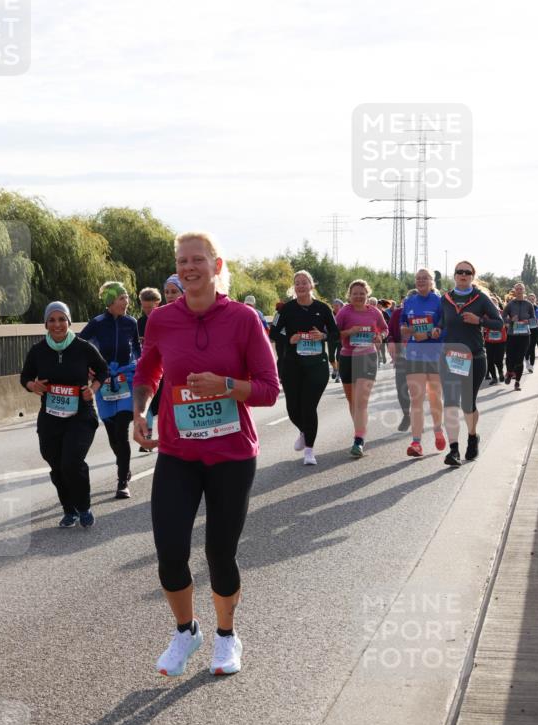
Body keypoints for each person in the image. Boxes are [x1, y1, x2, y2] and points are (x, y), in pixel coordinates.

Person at [133, 231, 279, 677]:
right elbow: (148, 369)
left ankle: (226, 637)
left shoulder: (244, 319)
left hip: (231, 454)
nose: (189, 267)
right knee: (170, 550)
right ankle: (185, 631)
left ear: (217, 266)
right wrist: (140, 410)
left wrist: (227, 387)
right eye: (182, 261)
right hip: (179, 452)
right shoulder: (161, 319)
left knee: (220, 551)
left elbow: (270, 390)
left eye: (197, 260)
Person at [20, 302, 107, 527]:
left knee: (72, 462)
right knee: (56, 464)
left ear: (69, 322)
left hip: (81, 415)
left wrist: (93, 389)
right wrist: (33, 385)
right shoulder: (38, 350)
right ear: (46, 323)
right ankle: (70, 510)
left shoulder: (83, 347)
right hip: (50, 417)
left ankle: (84, 506)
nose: (57, 324)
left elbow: (103, 370)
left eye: (62, 319)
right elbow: (25, 376)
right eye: (52, 320)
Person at [269, 270, 338, 465]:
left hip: (317, 365)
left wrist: (323, 336)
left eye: (304, 282)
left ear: (311, 286)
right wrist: (289, 338)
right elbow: (273, 332)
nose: (300, 286)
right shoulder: (285, 309)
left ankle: (309, 450)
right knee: (293, 408)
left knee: (308, 407)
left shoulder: (323, 308)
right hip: (292, 364)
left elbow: (335, 334)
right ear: (294, 287)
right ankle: (303, 430)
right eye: (297, 283)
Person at [80, 281, 141, 498]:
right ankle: (124, 466)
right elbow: (79, 345)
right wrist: (88, 367)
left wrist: (141, 369)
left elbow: (137, 350)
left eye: (126, 297)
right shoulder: (97, 323)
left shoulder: (131, 322)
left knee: (121, 430)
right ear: (110, 301)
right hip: (103, 381)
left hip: (126, 378)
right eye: (121, 298)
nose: (126, 302)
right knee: (112, 433)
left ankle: (122, 481)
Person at [438, 261, 503, 466]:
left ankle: (473, 436)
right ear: (455, 275)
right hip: (451, 358)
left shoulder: (481, 298)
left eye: (467, 272)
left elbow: (500, 323)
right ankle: (453, 450)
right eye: (460, 272)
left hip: (474, 357)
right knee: (450, 403)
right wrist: (437, 329)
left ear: (473, 276)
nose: (463, 275)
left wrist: (480, 321)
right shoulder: (446, 299)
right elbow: (441, 320)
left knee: (467, 403)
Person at [335, 279, 388, 457]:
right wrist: (349, 332)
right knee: (352, 401)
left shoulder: (374, 312)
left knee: (361, 401)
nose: (358, 296)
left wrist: (380, 336)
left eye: (362, 293)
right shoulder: (344, 312)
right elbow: (335, 334)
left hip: (367, 357)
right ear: (349, 296)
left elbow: (384, 329)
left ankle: (359, 439)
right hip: (347, 357)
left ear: (367, 295)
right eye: (355, 293)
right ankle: (359, 431)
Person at [400, 269, 446, 457]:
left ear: (431, 281)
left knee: (435, 396)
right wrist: (409, 331)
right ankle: (416, 442)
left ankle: (438, 430)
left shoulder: (440, 302)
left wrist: (430, 333)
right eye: (418, 278)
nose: (421, 281)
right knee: (416, 399)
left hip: (435, 355)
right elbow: (403, 326)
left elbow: (445, 327)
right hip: (414, 355)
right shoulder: (409, 302)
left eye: (424, 278)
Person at [137, 287, 163, 451]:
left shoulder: (165, 317)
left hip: (165, 366)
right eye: (144, 307)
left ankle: (167, 437)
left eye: (150, 307)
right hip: (148, 367)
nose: (147, 311)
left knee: (165, 405)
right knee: (148, 404)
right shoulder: (140, 322)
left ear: (157, 303)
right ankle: (147, 439)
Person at [503, 282, 535, 391]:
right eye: (517, 289)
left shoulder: (528, 304)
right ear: (514, 291)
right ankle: (509, 372)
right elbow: (503, 317)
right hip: (512, 334)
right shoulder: (510, 304)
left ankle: (517, 382)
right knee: (510, 357)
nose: (519, 291)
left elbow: (533, 319)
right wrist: (510, 320)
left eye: (521, 289)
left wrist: (528, 321)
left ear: (524, 290)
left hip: (525, 335)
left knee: (519, 359)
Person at [386, 297, 411, 431]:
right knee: (401, 390)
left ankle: (419, 419)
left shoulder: (423, 314)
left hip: (422, 358)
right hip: (402, 357)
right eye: (404, 304)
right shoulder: (397, 314)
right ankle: (407, 415)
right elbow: (389, 331)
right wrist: (390, 340)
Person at [483, 295, 507, 385]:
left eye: (494, 302)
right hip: (489, 341)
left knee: (498, 360)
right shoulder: (486, 315)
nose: (493, 304)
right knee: (490, 360)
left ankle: (500, 372)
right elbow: (483, 325)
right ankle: (494, 378)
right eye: (491, 302)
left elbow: (508, 323)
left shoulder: (502, 313)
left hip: (501, 341)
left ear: (497, 303)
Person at [526, 293, 538, 373]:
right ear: (528, 299)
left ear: (535, 299)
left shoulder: (537, 308)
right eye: (530, 299)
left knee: (532, 347)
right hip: (526, 329)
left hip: (535, 329)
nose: (531, 300)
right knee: (527, 347)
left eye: (533, 299)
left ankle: (531, 366)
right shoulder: (526, 308)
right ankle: (526, 360)